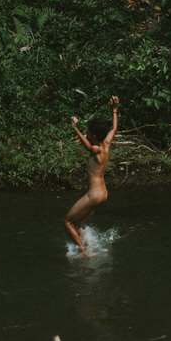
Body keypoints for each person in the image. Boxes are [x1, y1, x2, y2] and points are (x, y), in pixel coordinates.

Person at [64, 95, 119, 255]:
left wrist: (75, 129)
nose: (86, 134)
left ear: (94, 136)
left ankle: (83, 253)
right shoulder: (106, 144)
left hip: (94, 194)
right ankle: (89, 245)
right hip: (103, 194)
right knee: (77, 225)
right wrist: (114, 110)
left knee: (67, 222)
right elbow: (114, 129)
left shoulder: (97, 150)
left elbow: (88, 147)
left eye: (88, 133)